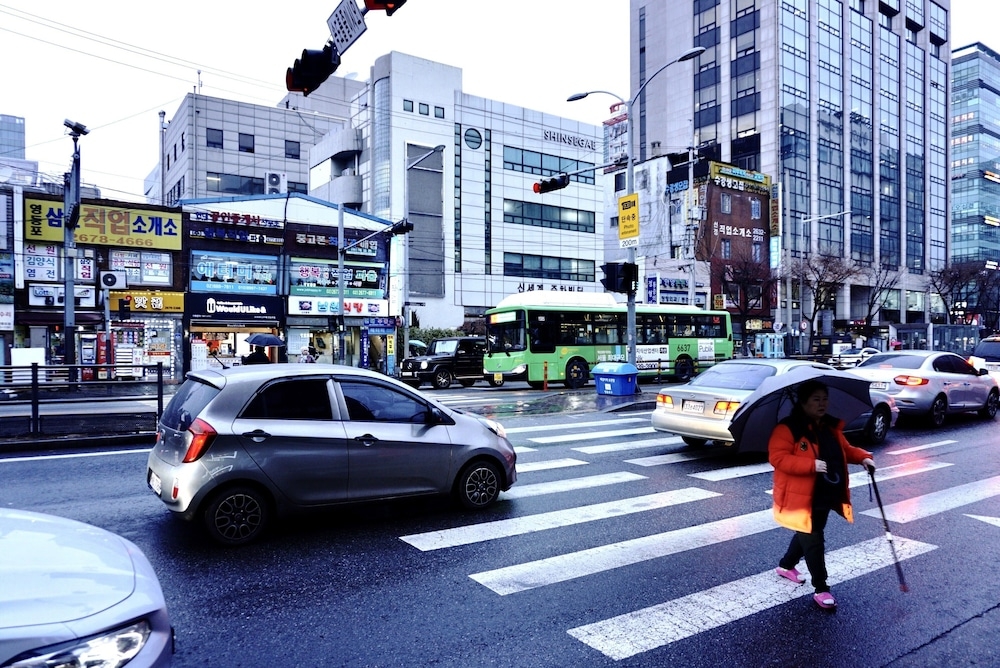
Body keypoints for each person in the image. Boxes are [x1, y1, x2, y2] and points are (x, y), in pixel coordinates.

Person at [768, 379, 876, 610]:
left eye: (825, 399)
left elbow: (845, 449)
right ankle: (821, 588)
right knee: (814, 538)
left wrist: (864, 458)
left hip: (826, 492)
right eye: (816, 399)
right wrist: (810, 464)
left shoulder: (828, 426)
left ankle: (786, 566)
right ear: (804, 402)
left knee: (810, 531)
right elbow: (778, 458)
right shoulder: (788, 428)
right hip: (800, 498)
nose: (822, 404)